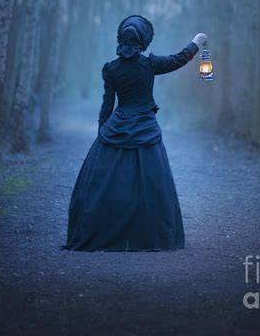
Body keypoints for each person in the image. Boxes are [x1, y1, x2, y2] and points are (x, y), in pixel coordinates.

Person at [62, 14, 208, 252]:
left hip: (117, 127)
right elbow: (178, 59)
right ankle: (147, 233)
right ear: (143, 42)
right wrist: (196, 41)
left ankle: (105, 230)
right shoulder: (149, 64)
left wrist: (103, 135)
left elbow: (107, 106)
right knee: (153, 184)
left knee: (107, 183)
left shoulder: (111, 69)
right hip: (145, 128)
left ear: (120, 40)